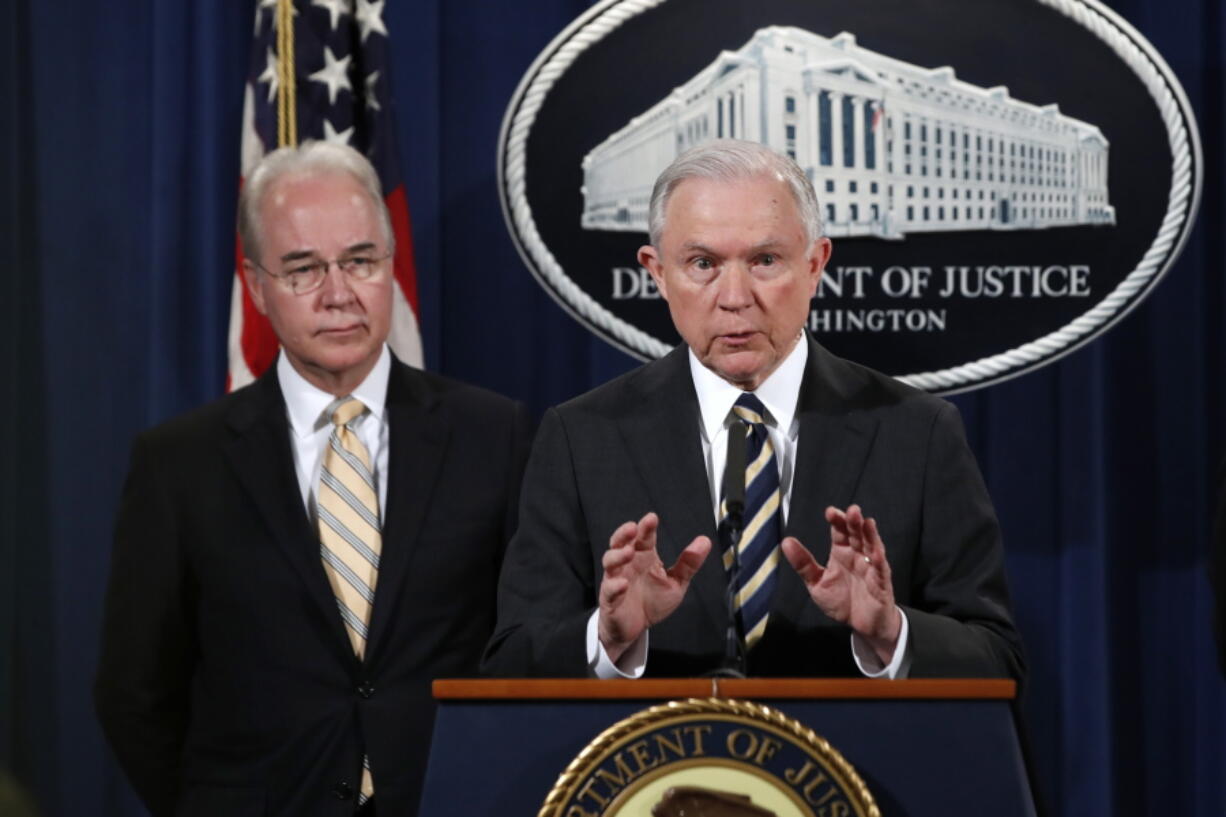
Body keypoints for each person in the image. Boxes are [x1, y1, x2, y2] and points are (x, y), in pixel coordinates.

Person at [94, 141, 531, 817]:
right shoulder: (180, 463)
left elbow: (525, 650)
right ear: (257, 285)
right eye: (302, 269)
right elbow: (135, 690)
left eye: (359, 261)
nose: (338, 294)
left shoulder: (493, 434)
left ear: (390, 267)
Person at [484, 139, 1023, 681]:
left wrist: (891, 633)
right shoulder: (582, 438)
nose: (735, 296)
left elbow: (996, 661)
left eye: (765, 260)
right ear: (658, 273)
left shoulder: (918, 433)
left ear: (815, 265)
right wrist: (607, 637)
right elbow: (510, 663)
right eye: (702, 264)